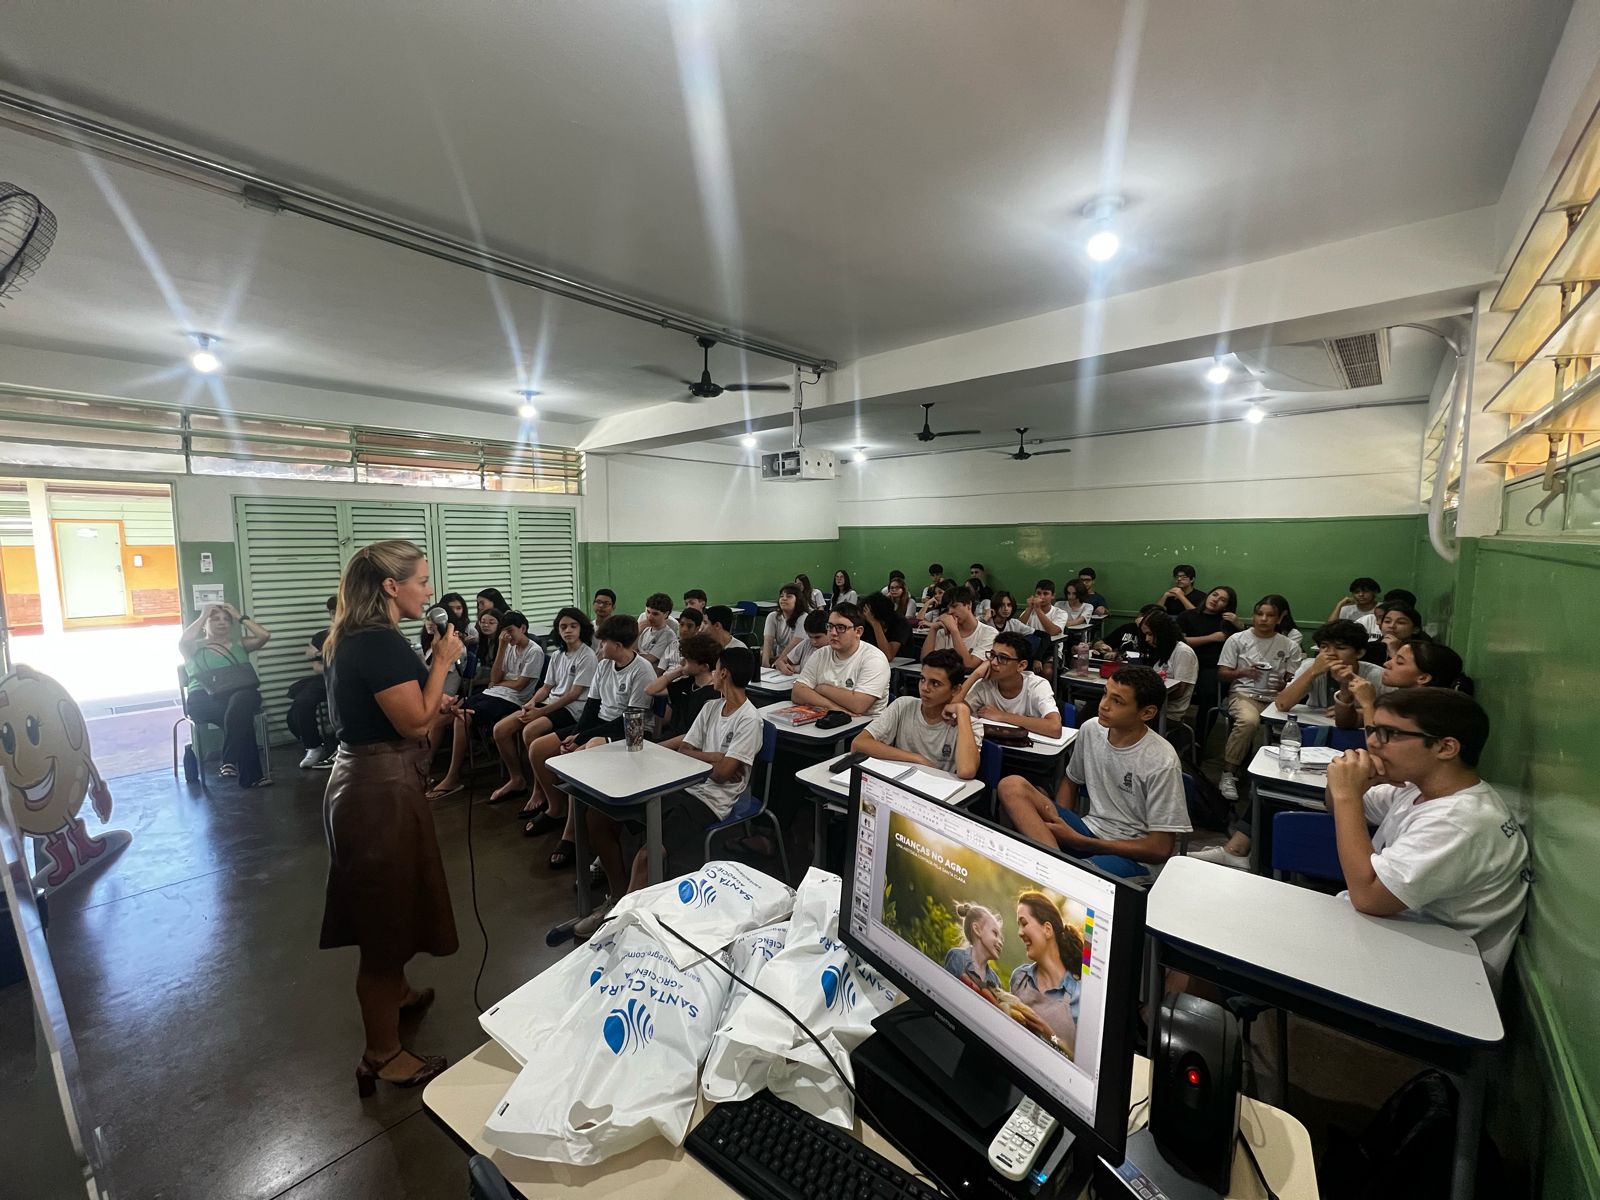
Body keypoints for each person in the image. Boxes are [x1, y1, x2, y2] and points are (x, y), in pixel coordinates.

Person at [319, 539, 459, 1095]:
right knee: (382, 921)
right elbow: (415, 724)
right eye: (421, 581)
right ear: (390, 587)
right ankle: (382, 1053)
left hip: (367, 779)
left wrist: (428, 693)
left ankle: (397, 994)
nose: (428, 591)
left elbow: (396, 708)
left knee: (392, 901)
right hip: (378, 792)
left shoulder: (359, 636)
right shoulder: (378, 641)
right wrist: (442, 666)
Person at [1326, 689, 1528, 987]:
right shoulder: (1419, 788)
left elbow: (1368, 897)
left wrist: (1346, 795)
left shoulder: (1461, 821)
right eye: (1373, 731)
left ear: (1445, 747)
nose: (1371, 742)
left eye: (1388, 733)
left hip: (1433, 978)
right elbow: (1335, 806)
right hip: (1394, 940)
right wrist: (1350, 788)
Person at [579, 645, 764, 938]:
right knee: (598, 818)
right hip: (681, 785)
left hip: (710, 801)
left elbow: (724, 774)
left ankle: (616, 927)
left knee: (646, 856)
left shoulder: (750, 719)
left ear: (723, 673)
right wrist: (716, 756)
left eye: (716, 668)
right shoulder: (711, 707)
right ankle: (619, 899)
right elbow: (688, 750)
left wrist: (713, 760)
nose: (713, 674)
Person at [997, 667, 1190, 878]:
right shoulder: (1091, 729)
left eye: (1118, 701)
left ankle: (1056, 873)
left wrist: (1079, 841)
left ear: (1147, 713)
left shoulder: (1161, 760)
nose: (1104, 705)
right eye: (1105, 693)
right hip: (1089, 829)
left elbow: (1160, 849)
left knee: (1081, 875)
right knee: (1011, 785)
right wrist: (1058, 821)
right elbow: (1071, 780)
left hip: (1132, 856)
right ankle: (1055, 868)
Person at [525, 614, 656, 867]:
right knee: (539, 749)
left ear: (618, 645)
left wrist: (582, 740)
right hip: (598, 726)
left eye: (604, 642)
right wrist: (577, 734)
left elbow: (628, 721)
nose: (600, 646)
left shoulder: (642, 671)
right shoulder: (605, 665)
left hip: (629, 733)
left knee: (579, 758)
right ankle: (557, 809)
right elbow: (592, 706)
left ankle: (572, 834)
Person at [426, 611, 544, 800]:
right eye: (503, 632)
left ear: (523, 628)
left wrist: (499, 683)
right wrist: (502, 647)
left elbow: (520, 685)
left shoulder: (534, 651)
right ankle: (426, 768)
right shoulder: (508, 646)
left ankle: (452, 777)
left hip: (513, 700)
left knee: (462, 717)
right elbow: (495, 678)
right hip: (492, 694)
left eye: (510, 631)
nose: (507, 636)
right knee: (445, 714)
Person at [488, 607, 596, 810]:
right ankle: (517, 779)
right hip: (549, 703)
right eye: (563, 626)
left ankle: (540, 788)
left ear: (582, 629)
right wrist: (531, 703)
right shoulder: (557, 655)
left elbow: (572, 695)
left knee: (530, 729)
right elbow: (546, 687)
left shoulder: (587, 656)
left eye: (573, 626)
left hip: (572, 709)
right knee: (500, 730)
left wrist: (541, 711)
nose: (568, 631)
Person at [1216, 596, 1305, 801]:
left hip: (1277, 699)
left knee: (1292, 728)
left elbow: (1293, 680)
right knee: (1249, 722)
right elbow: (1222, 673)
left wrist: (1284, 686)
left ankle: (1271, 778)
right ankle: (1228, 773)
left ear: (1280, 618)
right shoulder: (1237, 639)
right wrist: (1243, 672)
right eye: (1259, 614)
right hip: (1244, 693)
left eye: (1270, 615)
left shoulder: (1289, 645)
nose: (1263, 619)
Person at [178, 602, 271, 787]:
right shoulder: (194, 647)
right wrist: (204, 614)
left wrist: (238, 615)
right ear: (205, 624)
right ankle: (251, 777)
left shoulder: (239, 644)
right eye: (215, 619)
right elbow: (184, 641)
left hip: (239, 694)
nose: (222, 623)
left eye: (226, 620)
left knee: (240, 702)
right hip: (203, 698)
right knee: (241, 718)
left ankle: (229, 760)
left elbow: (264, 635)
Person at [851, 649, 979, 777]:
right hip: (900, 783)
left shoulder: (969, 725)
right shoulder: (903, 705)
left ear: (956, 689)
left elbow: (966, 771)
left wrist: (963, 710)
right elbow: (858, 744)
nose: (924, 688)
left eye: (935, 683)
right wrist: (917, 759)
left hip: (938, 790)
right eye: (922, 679)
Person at [1334, 638, 1471, 729]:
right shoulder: (1400, 699)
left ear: (1423, 678)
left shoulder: (1427, 709)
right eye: (1392, 659)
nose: (1387, 664)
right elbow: (1346, 723)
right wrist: (1345, 689)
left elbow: (1378, 745)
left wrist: (1368, 703)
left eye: (1399, 662)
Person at [1008, 892, 1083, 1053]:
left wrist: (1049, 1035)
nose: (1020, 932)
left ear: (1047, 930)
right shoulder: (1019, 978)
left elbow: (1077, 1059)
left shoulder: (1079, 995)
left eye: (1024, 923)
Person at [955, 631, 1062, 738]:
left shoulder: (1037, 685)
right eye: (992, 655)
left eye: (1003, 658)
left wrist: (1001, 716)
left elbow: (1055, 728)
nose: (993, 662)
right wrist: (975, 674)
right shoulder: (984, 684)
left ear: (1021, 666)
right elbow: (951, 713)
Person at [793, 601, 892, 716]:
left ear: (858, 631)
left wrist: (821, 688)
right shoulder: (821, 654)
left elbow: (858, 705)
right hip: (828, 718)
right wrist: (833, 708)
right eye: (830, 627)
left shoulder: (874, 659)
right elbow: (797, 693)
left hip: (865, 726)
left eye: (841, 628)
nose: (833, 633)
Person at [1275, 619, 1382, 713]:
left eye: (1340, 648)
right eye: (1324, 647)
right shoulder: (1310, 667)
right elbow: (1282, 705)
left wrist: (1349, 714)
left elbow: (1396, 713)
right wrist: (1312, 672)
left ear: (1359, 653)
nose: (1331, 653)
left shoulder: (1377, 675)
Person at [287, 595, 339, 769]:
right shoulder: (321, 636)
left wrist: (318, 654)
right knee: (302, 701)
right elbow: (317, 667)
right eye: (335, 612)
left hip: (349, 681)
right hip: (325, 679)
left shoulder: (356, 633)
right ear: (331, 614)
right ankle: (313, 746)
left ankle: (341, 748)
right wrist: (322, 658)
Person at [648, 632, 722, 738]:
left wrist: (659, 746)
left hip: (687, 745)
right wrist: (679, 671)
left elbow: (694, 736)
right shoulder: (687, 683)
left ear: (704, 667)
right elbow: (650, 690)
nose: (682, 662)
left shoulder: (713, 694)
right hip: (672, 738)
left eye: (687, 660)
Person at [1141, 611, 1198, 725]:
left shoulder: (1183, 652)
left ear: (1162, 633)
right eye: (1145, 634)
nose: (1147, 639)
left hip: (1169, 714)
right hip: (1154, 708)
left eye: (1150, 634)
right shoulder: (1161, 650)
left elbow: (1179, 691)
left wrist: (1146, 701)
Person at [921, 585, 997, 669]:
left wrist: (954, 631)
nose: (950, 612)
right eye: (947, 608)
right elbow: (926, 661)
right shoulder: (943, 630)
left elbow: (968, 665)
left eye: (954, 606)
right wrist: (933, 629)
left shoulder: (989, 633)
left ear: (969, 605)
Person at [420, 590, 476, 699]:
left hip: (442, 696)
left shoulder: (455, 646)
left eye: (435, 620)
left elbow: (447, 687)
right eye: (428, 619)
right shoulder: (429, 644)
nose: (431, 624)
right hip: (424, 692)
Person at [943, 901, 1002, 990]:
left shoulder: (995, 981)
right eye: (995, 933)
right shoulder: (957, 957)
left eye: (1001, 938)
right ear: (977, 930)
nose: (1000, 942)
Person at [761, 584, 809, 668]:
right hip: (779, 657)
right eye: (781, 596)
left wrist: (776, 664)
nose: (784, 598)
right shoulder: (772, 616)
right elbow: (768, 642)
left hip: (797, 660)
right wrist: (765, 665)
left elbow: (794, 645)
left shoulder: (803, 617)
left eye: (789, 596)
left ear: (797, 600)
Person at [1095, 604, 1161, 660]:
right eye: (1140, 616)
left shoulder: (1158, 634)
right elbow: (1102, 642)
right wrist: (1100, 645)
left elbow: (1152, 657)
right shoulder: (1128, 627)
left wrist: (1118, 655)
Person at [777, 609, 830, 676]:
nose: (813, 642)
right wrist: (783, 667)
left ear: (829, 632)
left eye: (817, 637)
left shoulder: (835, 650)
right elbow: (782, 661)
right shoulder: (806, 643)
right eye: (810, 637)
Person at [860, 591, 912, 660]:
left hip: (903, 665)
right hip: (873, 661)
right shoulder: (866, 622)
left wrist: (875, 623)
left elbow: (888, 655)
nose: (865, 615)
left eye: (866, 611)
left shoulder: (901, 623)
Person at [637, 593, 680, 671]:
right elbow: (629, 647)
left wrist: (629, 655)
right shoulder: (644, 625)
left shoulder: (668, 634)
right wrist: (638, 631)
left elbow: (649, 659)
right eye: (648, 612)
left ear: (666, 614)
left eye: (655, 614)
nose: (649, 617)